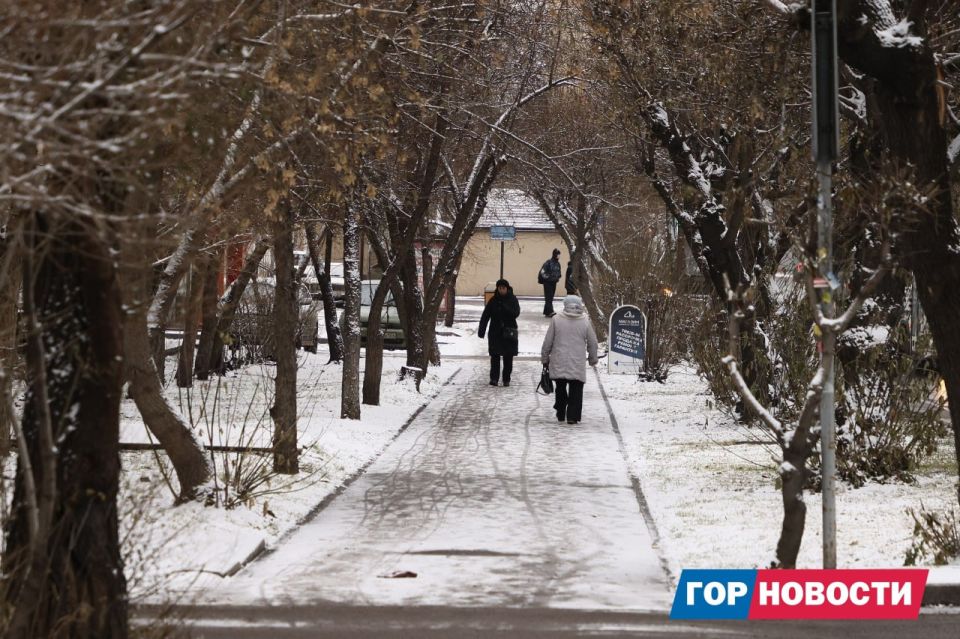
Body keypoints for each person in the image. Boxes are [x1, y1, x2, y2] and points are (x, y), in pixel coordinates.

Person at [540, 295, 598, 424]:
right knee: (576, 388)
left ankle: (560, 411)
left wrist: (545, 357)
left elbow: (548, 341)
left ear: (565, 305)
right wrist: (593, 358)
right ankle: (572, 416)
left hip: (559, 359)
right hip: (577, 362)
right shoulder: (585, 321)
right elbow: (593, 342)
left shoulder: (556, 319)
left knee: (560, 387)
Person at [478, 278, 520, 387]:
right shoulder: (493, 300)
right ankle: (494, 379)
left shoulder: (512, 299)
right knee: (495, 356)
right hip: (495, 332)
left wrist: (505, 307)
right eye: (500, 288)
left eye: (503, 288)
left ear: (507, 288)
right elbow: (485, 315)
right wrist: (481, 330)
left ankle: (506, 379)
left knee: (508, 357)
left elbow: (516, 313)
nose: (502, 290)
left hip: (509, 332)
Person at [538, 248, 562, 316]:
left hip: (554, 282)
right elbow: (542, 272)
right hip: (548, 283)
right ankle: (550, 311)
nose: (559, 256)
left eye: (559, 255)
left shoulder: (557, 263)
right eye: (558, 254)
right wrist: (548, 278)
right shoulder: (548, 262)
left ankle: (546, 311)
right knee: (549, 297)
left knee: (550, 297)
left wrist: (558, 276)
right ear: (555, 254)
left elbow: (559, 272)